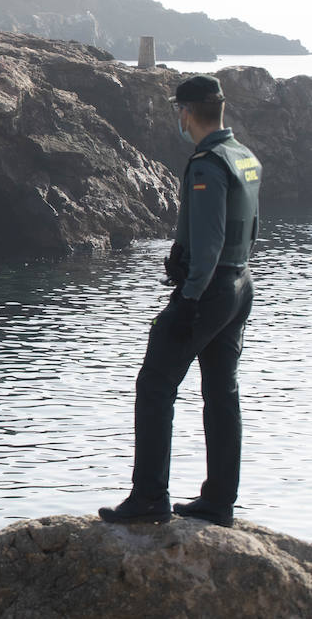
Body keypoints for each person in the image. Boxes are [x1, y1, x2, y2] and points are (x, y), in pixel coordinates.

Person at [100, 75, 261, 528]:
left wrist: (188, 295)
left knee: (155, 385)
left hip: (208, 292)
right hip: (240, 283)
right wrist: (180, 252)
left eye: (178, 111)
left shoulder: (208, 163)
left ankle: (150, 496)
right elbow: (248, 227)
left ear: (186, 112)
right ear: (221, 109)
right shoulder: (245, 157)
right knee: (221, 393)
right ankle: (219, 501)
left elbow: (209, 241)